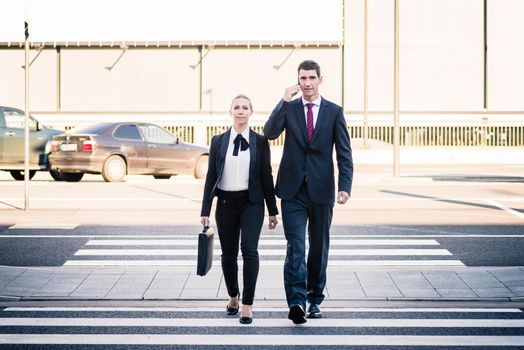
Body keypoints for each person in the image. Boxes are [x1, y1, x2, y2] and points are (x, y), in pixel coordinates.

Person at [264, 60, 353, 324]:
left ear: (320, 80)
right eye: (303, 78)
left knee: (318, 248)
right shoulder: (290, 109)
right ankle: (296, 301)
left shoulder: (334, 112)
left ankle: (315, 299)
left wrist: (345, 186)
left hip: (322, 190)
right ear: (298, 80)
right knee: (296, 246)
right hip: (292, 191)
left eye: (312, 78)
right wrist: (283, 100)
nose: (307, 83)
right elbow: (269, 133)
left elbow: (344, 154)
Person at [201, 94, 279, 325]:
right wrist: (205, 210)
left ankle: (247, 304)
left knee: (249, 249)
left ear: (251, 112)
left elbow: (266, 176)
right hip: (225, 203)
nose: (241, 111)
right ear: (231, 111)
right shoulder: (218, 141)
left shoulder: (261, 141)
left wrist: (272, 210)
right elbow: (211, 177)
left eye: (245, 107)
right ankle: (233, 296)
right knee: (228, 254)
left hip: (252, 202)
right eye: (237, 107)